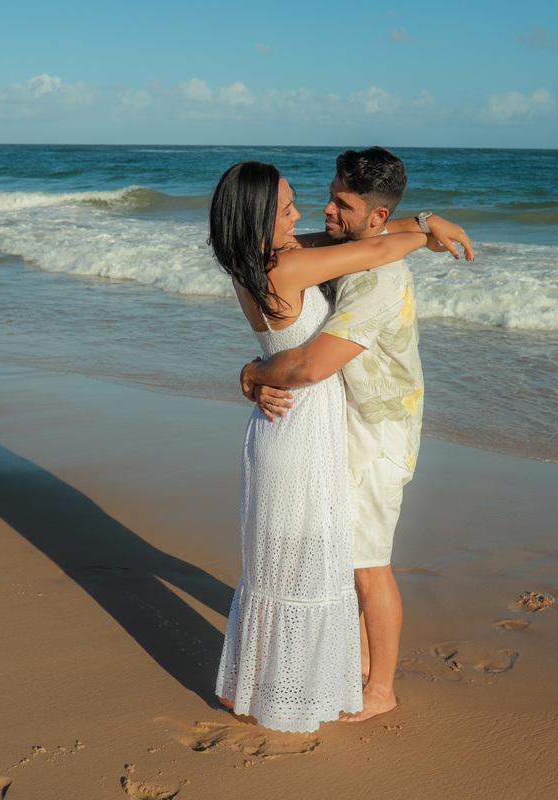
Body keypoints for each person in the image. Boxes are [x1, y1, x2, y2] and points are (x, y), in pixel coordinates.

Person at [208, 160, 454, 733]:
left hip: (297, 427)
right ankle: (326, 688)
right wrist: (426, 224)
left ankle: (284, 683)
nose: (305, 215)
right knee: (317, 564)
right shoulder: (292, 265)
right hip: (303, 423)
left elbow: (353, 246)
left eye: (319, 202)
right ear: (259, 220)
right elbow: (369, 256)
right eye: (288, 208)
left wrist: (251, 373)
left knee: (292, 562)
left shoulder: (255, 262)